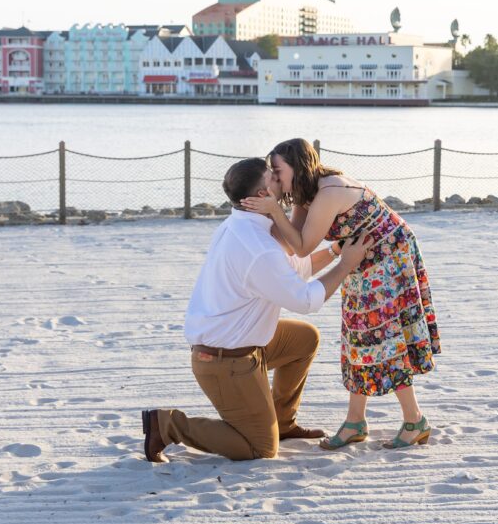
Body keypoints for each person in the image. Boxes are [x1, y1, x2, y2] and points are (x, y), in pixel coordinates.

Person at [141, 157, 372, 463]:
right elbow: (305, 300)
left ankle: (283, 422)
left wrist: (334, 250)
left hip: (240, 343)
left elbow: (294, 269)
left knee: (304, 339)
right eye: (275, 178)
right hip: (224, 361)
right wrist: (345, 266)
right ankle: (167, 425)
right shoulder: (257, 248)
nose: (282, 179)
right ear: (262, 196)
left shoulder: (244, 224)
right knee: (260, 448)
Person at [243, 138, 440, 450]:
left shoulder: (328, 192)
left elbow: (304, 247)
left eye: (278, 171)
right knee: (357, 337)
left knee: (386, 338)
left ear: (298, 167)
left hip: (389, 256)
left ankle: (414, 419)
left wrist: (272, 211)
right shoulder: (305, 195)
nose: (276, 178)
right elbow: (287, 240)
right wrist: (261, 213)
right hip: (363, 258)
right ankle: (354, 421)